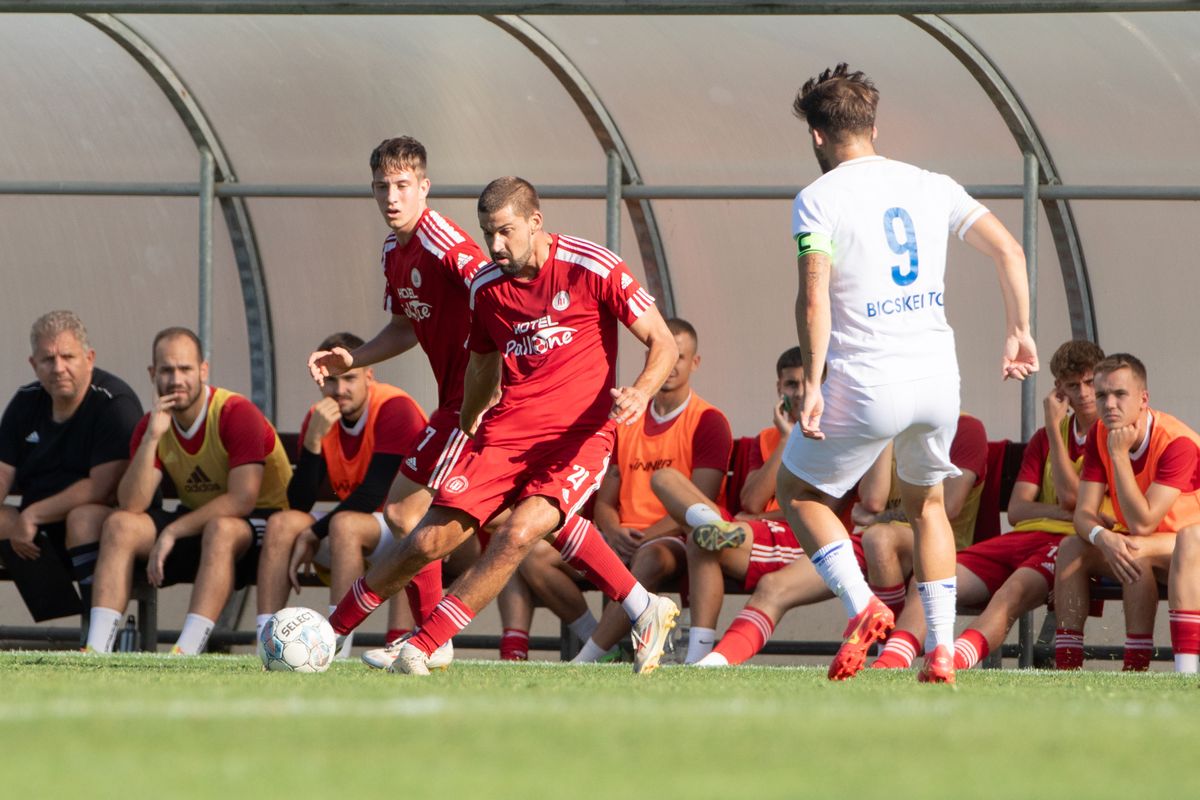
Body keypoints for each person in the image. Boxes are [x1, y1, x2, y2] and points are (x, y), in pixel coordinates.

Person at [326, 176, 681, 676]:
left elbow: (663, 342)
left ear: (536, 222)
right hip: (506, 432)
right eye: (487, 233)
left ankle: (424, 644)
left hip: (577, 437)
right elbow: (481, 364)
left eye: (505, 232)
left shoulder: (591, 265)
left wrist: (641, 392)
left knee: (520, 530)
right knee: (426, 538)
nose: (494, 246)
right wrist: (469, 422)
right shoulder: (487, 288)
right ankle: (326, 634)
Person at [781, 63, 1037, 683]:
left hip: (866, 380)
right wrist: (1018, 328)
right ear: (873, 125)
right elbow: (1009, 248)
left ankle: (863, 605)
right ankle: (943, 650)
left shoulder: (818, 198)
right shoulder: (932, 184)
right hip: (936, 380)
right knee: (927, 509)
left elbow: (815, 298)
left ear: (817, 136)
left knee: (798, 494)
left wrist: (813, 380)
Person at [307, 136, 490, 669]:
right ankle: (434, 640)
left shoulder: (441, 238)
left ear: (424, 187)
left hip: (481, 401)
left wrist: (495, 382)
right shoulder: (393, 250)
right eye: (383, 186)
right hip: (452, 401)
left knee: (427, 516)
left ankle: (424, 639)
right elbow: (403, 328)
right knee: (404, 513)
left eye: (403, 185)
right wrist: (354, 358)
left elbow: (494, 294)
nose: (392, 196)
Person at [874, 342, 1105, 670]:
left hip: (1071, 543)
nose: (1083, 393)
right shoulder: (1042, 439)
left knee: (1013, 590)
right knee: (931, 576)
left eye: (1090, 382)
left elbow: (1071, 498)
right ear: (1059, 390)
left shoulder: (1109, 434)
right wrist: (1063, 509)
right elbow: (1018, 510)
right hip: (1022, 538)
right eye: (1072, 385)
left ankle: (951, 661)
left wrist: (1054, 428)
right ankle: (894, 657)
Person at [693, 418, 982, 667]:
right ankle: (713, 661)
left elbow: (946, 507)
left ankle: (887, 658)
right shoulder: (884, 423)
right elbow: (872, 498)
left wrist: (878, 517)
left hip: (933, 549)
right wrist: (887, 433)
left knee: (881, 539)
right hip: (866, 542)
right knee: (774, 586)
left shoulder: (964, 426)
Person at [531, 317, 732, 664]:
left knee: (648, 557)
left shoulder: (708, 420)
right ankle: (606, 644)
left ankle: (587, 658)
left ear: (694, 363)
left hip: (672, 540)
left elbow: (702, 503)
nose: (670, 366)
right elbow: (606, 499)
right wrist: (612, 529)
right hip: (622, 537)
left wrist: (642, 537)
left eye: (680, 357)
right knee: (533, 554)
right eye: (664, 356)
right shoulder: (629, 416)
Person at [85, 327, 292, 654]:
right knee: (119, 524)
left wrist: (173, 532)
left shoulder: (236, 413)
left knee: (221, 529)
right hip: (199, 525)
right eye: (166, 370)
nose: (176, 379)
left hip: (259, 526)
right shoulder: (153, 424)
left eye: (185, 369)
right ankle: (95, 648)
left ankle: (186, 651)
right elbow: (131, 503)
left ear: (203, 370)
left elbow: (243, 499)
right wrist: (152, 437)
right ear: (153, 374)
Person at [256, 332, 428, 657]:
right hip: (359, 530)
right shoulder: (320, 417)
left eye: (349, 378)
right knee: (281, 524)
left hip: (407, 528)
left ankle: (337, 649)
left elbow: (373, 494)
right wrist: (312, 443)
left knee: (345, 524)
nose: (340, 390)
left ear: (369, 374)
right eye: (331, 381)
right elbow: (299, 504)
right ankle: (264, 642)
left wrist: (312, 533)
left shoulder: (395, 408)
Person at [1055, 353, 1200, 671]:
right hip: (1145, 544)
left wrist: (1119, 456)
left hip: (1189, 546)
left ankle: (1154, 667)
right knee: (1071, 548)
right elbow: (1083, 515)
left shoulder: (1177, 442)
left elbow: (1144, 522)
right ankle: (1066, 666)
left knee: (1133, 548)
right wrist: (1102, 538)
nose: (1108, 404)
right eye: (1102, 394)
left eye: (1120, 394)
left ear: (1143, 399)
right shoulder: (1099, 434)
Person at [0, 311, 142, 623]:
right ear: (33, 364)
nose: (58, 368)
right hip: (36, 533)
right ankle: (56, 612)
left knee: (83, 517)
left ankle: (95, 631)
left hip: (105, 527)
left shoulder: (113, 402)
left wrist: (33, 514)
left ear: (89, 358)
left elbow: (101, 488)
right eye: (48, 359)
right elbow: (3, 471)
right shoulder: (25, 401)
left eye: (68, 356)